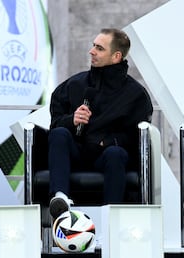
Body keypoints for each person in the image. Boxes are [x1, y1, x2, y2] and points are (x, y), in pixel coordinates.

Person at [48, 28, 153, 219]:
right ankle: (61, 199)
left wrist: (107, 142)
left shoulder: (135, 95)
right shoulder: (73, 85)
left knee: (116, 153)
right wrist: (71, 120)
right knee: (59, 134)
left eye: (99, 48)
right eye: (93, 46)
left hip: (106, 156)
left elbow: (135, 138)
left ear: (116, 56)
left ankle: (110, 217)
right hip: (76, 153)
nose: (92, 51)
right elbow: (54, 124)